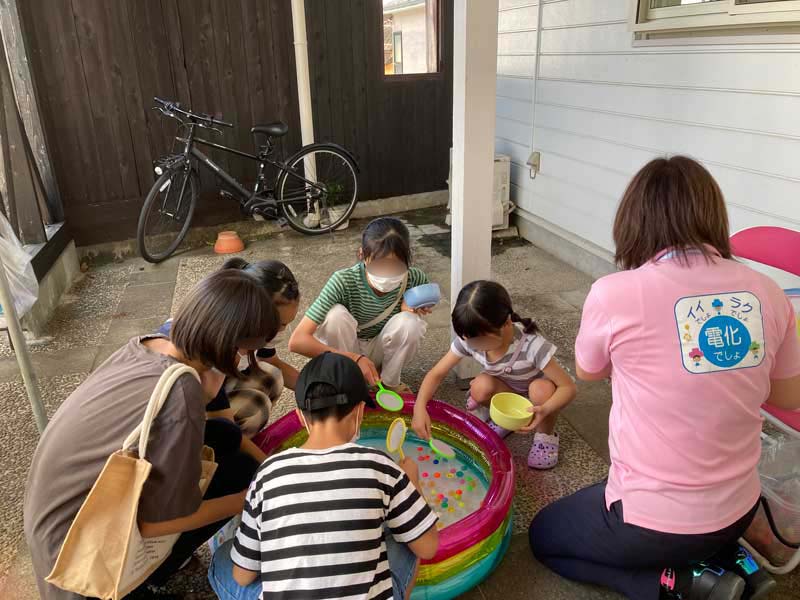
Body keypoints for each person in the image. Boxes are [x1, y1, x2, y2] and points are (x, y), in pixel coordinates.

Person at [528, 156, 800, 600]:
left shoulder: (615, 293)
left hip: (651, 524)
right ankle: (731, 563)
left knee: (544, 537)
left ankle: (681, 585)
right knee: (624, 500)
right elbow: (790, 393)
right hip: (739, 510)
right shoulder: (768, 292)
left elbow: (588, 371)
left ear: (634, 222)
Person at [24, 269, 280, 600]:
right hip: (81, 559)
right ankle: (138, 582)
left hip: (50, 523)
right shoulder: (181, 389)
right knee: (241, 480)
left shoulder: (148, 344)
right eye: (247, 349)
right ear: (230, 343)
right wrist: (250, 500)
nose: (243, 359)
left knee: (228, 445)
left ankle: (147, 576)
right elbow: (156, 524)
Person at [208, 352, 440, 600]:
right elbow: (428, 548)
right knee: (411, 534)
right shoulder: (380, 464)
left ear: (299, 416)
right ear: (359, 411)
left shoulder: (267, 473)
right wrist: (412, 484)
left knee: (223, 557)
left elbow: (243, 577)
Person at [411, 280, 576, 469]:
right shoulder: (470, 338)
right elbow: (437, 373)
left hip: (537, 399)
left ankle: (545, 437)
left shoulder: (533, 346)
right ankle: (505, 419)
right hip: (507, 392)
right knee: (479, 387)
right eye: (470, 343)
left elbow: (568, 387)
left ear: (506, 323)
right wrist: (419, 407)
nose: (475, 348)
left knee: (540, 388)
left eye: (480, 342)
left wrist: (545, 409)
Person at [289, 217, 432, 393]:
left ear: (408, 258)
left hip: (380, 347)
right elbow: (297, 341)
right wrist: (354, 359)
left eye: (396, 266)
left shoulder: (414, 278)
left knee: (411, 322)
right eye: (379, 265)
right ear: (362, 255)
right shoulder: (343, 281)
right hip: (347, 348)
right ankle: (348, 378)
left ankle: (389, 383)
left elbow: (428, 303)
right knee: (335, 316)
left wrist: (413, 308)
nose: (387, 274)